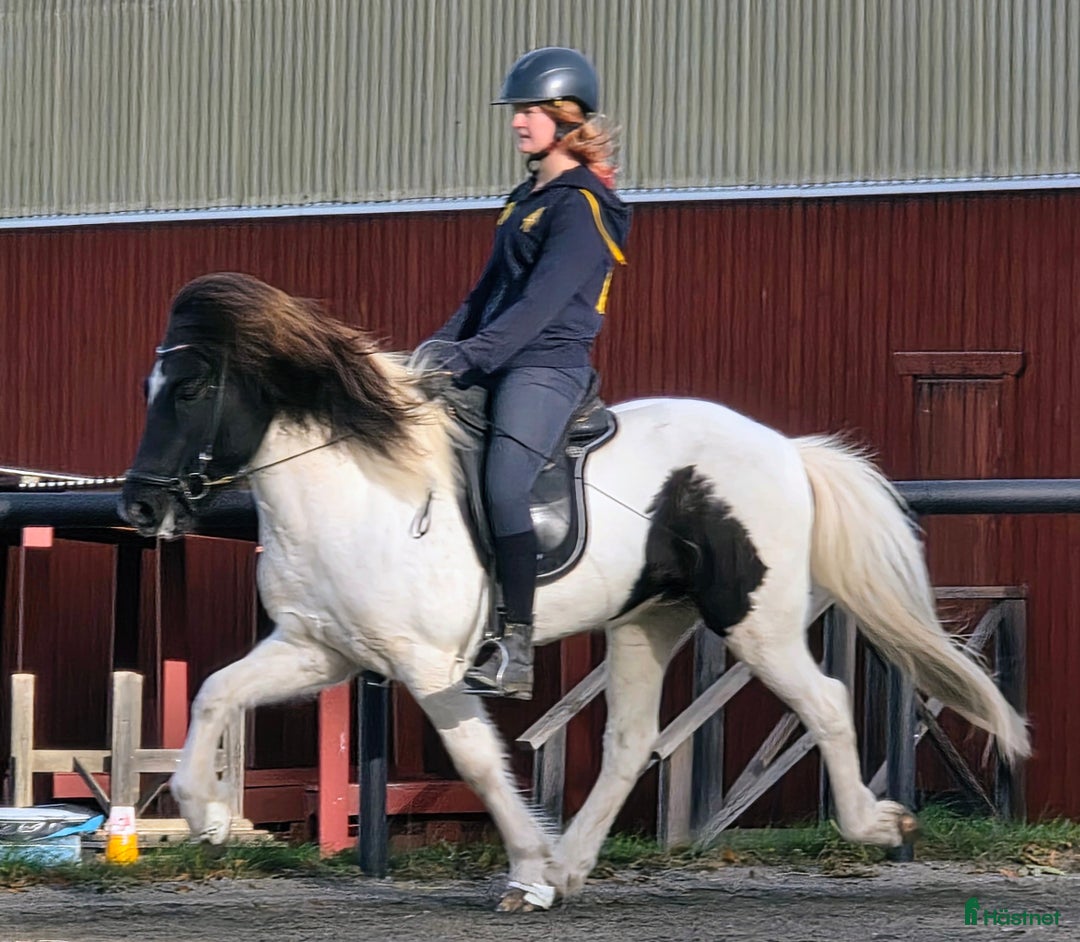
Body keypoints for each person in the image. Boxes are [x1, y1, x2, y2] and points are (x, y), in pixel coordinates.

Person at [419, 46, 631, 700]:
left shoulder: (584, 204)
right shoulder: (524, 197)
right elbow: (488, 292)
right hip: (497, 356)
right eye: (518, 110)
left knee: (506, 484)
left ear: (566, 117)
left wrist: (473, 356)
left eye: (531, 111)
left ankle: (514, 646)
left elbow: (540, 306)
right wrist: (434, 351)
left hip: (547, 366)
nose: (518, 122)